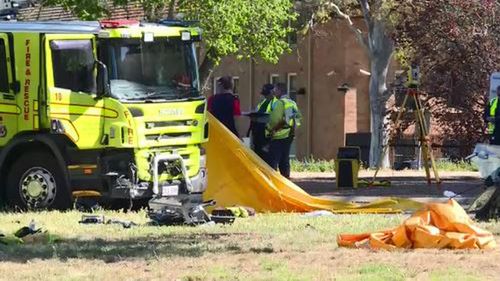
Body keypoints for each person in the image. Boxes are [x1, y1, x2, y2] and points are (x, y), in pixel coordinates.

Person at [266, 82, 302, 178]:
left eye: (275, 90)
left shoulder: (280, 103)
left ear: (280, 91)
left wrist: (270, 130)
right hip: (289, 135)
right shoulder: (292, 103)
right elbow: (298, 118)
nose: (273, 92)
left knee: (273, 161)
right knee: (284, 159)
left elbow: (274, 120)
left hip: (278, 135)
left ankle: (272, 180)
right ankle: (286, 180)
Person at [247, 84, 276, 161]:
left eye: (267, 94)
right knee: (258, 156)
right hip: (258, 132)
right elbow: (257, 112)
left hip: (268, 133)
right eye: (265, 94)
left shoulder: (276, 103)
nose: (266, 96)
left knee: (267, 158)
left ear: (272, 92)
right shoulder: (262, 103)